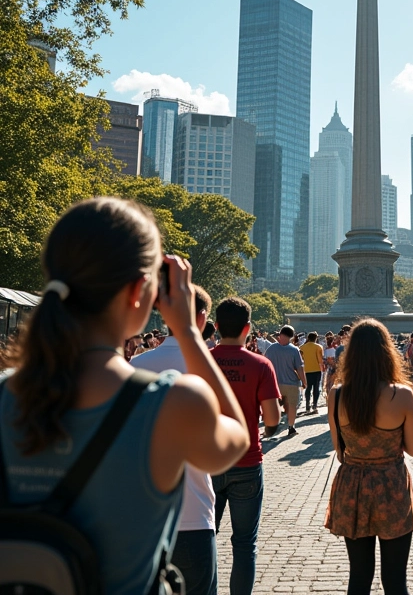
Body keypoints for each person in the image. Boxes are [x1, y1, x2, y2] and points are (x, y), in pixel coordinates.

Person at [0, 197, 249, 594]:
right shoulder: (171, 402)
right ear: (139, 292)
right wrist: (187, 330)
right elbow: (235, 436)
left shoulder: (6, 392)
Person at [130, 284, 219, 595]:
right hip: (193, 514)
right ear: (203, 318)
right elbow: (230, 443)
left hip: (142, 519)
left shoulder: (135, 366)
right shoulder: (208, 370)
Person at [325, 319, 413, 595]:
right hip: (391, 486)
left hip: (352, 486)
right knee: (394, 579)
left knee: (359, 576)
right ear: (386, 351)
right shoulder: (401, 395)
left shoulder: (337, 394)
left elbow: (339, 451)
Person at [210, 297, 281, 595]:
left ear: (215, 327)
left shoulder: (201, 360)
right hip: (247, 462)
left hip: (207, 463)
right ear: (248, 329)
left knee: (204, 538)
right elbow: (274, 418)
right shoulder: (261, 365)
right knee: (244, 544)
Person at [264, 325, 307, 437]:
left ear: (280, 334)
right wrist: (304, 382)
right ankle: (291, 427)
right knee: (292, 405)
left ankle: (270, 427)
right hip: (292, 383)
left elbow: (265, 364)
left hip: (275, 383)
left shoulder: (271, 349)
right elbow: (300, 368)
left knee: (274, 406)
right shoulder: (294, 350)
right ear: (291, 337)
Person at [299, 331, 324, 415]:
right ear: (316, 338)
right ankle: (315, 405)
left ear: (308, 338)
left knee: (308, 388)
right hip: (316, 370)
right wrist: (322, 368)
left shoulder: (302, 347)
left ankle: (307, 405)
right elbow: (320, 360)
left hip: (307, 370)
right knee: (316, 388)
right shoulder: (318, 347)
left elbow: (301, 360)